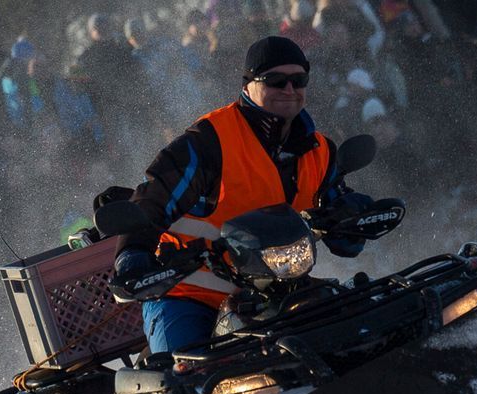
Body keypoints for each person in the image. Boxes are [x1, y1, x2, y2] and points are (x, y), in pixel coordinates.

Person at [111, 36, 371, 353]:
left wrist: (351, 216)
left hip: (278, 295)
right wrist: (133, 255)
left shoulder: (320, 150)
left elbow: (346, 242)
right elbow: (153, 199)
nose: (289, 90)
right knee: (186, 378)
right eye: (276, 81)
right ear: (248, 85)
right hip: (191, 296)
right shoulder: (209, 142)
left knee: (356, 336)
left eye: (298, 80)